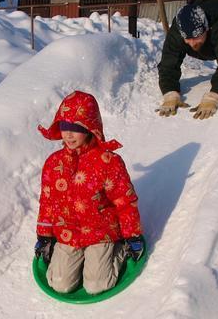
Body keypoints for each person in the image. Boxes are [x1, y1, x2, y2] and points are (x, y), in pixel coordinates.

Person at [35, 91, 144, 295]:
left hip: (101, 231)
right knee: (60, 284)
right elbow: (47, 202)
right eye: (64, 128)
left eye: (76, 129)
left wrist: (132, 235)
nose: (68, 135)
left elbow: (125, 201)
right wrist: (44, 236)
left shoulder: (108, 162)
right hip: (68, 232)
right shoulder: (54, 163)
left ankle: (118, 251)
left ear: (90, 128)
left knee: (96, 285)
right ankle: (75, 260)